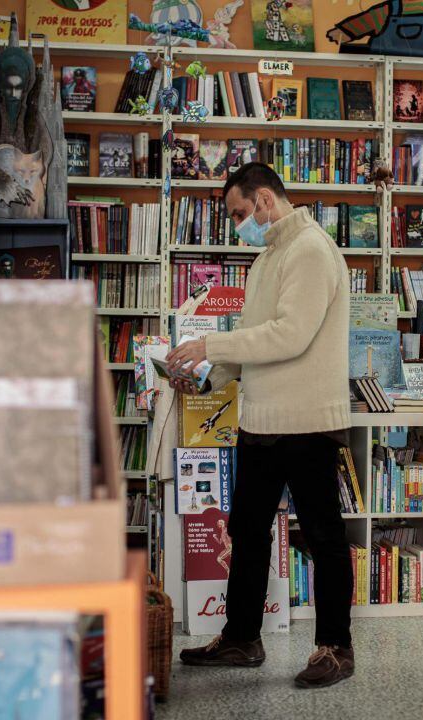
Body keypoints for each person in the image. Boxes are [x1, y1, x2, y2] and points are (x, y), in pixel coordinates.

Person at [168, 162, 355, 689]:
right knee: (247, 533)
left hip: (308, 422)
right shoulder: (267, 256)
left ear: (266, 200)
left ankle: (335, 647)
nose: (237, 225)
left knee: (323, 536)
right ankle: (242, 637)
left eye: (240, 213)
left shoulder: (311, 250)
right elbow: (255, 339)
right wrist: (207, 377)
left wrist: (211, 345)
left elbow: (290, 336)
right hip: (263, 419)